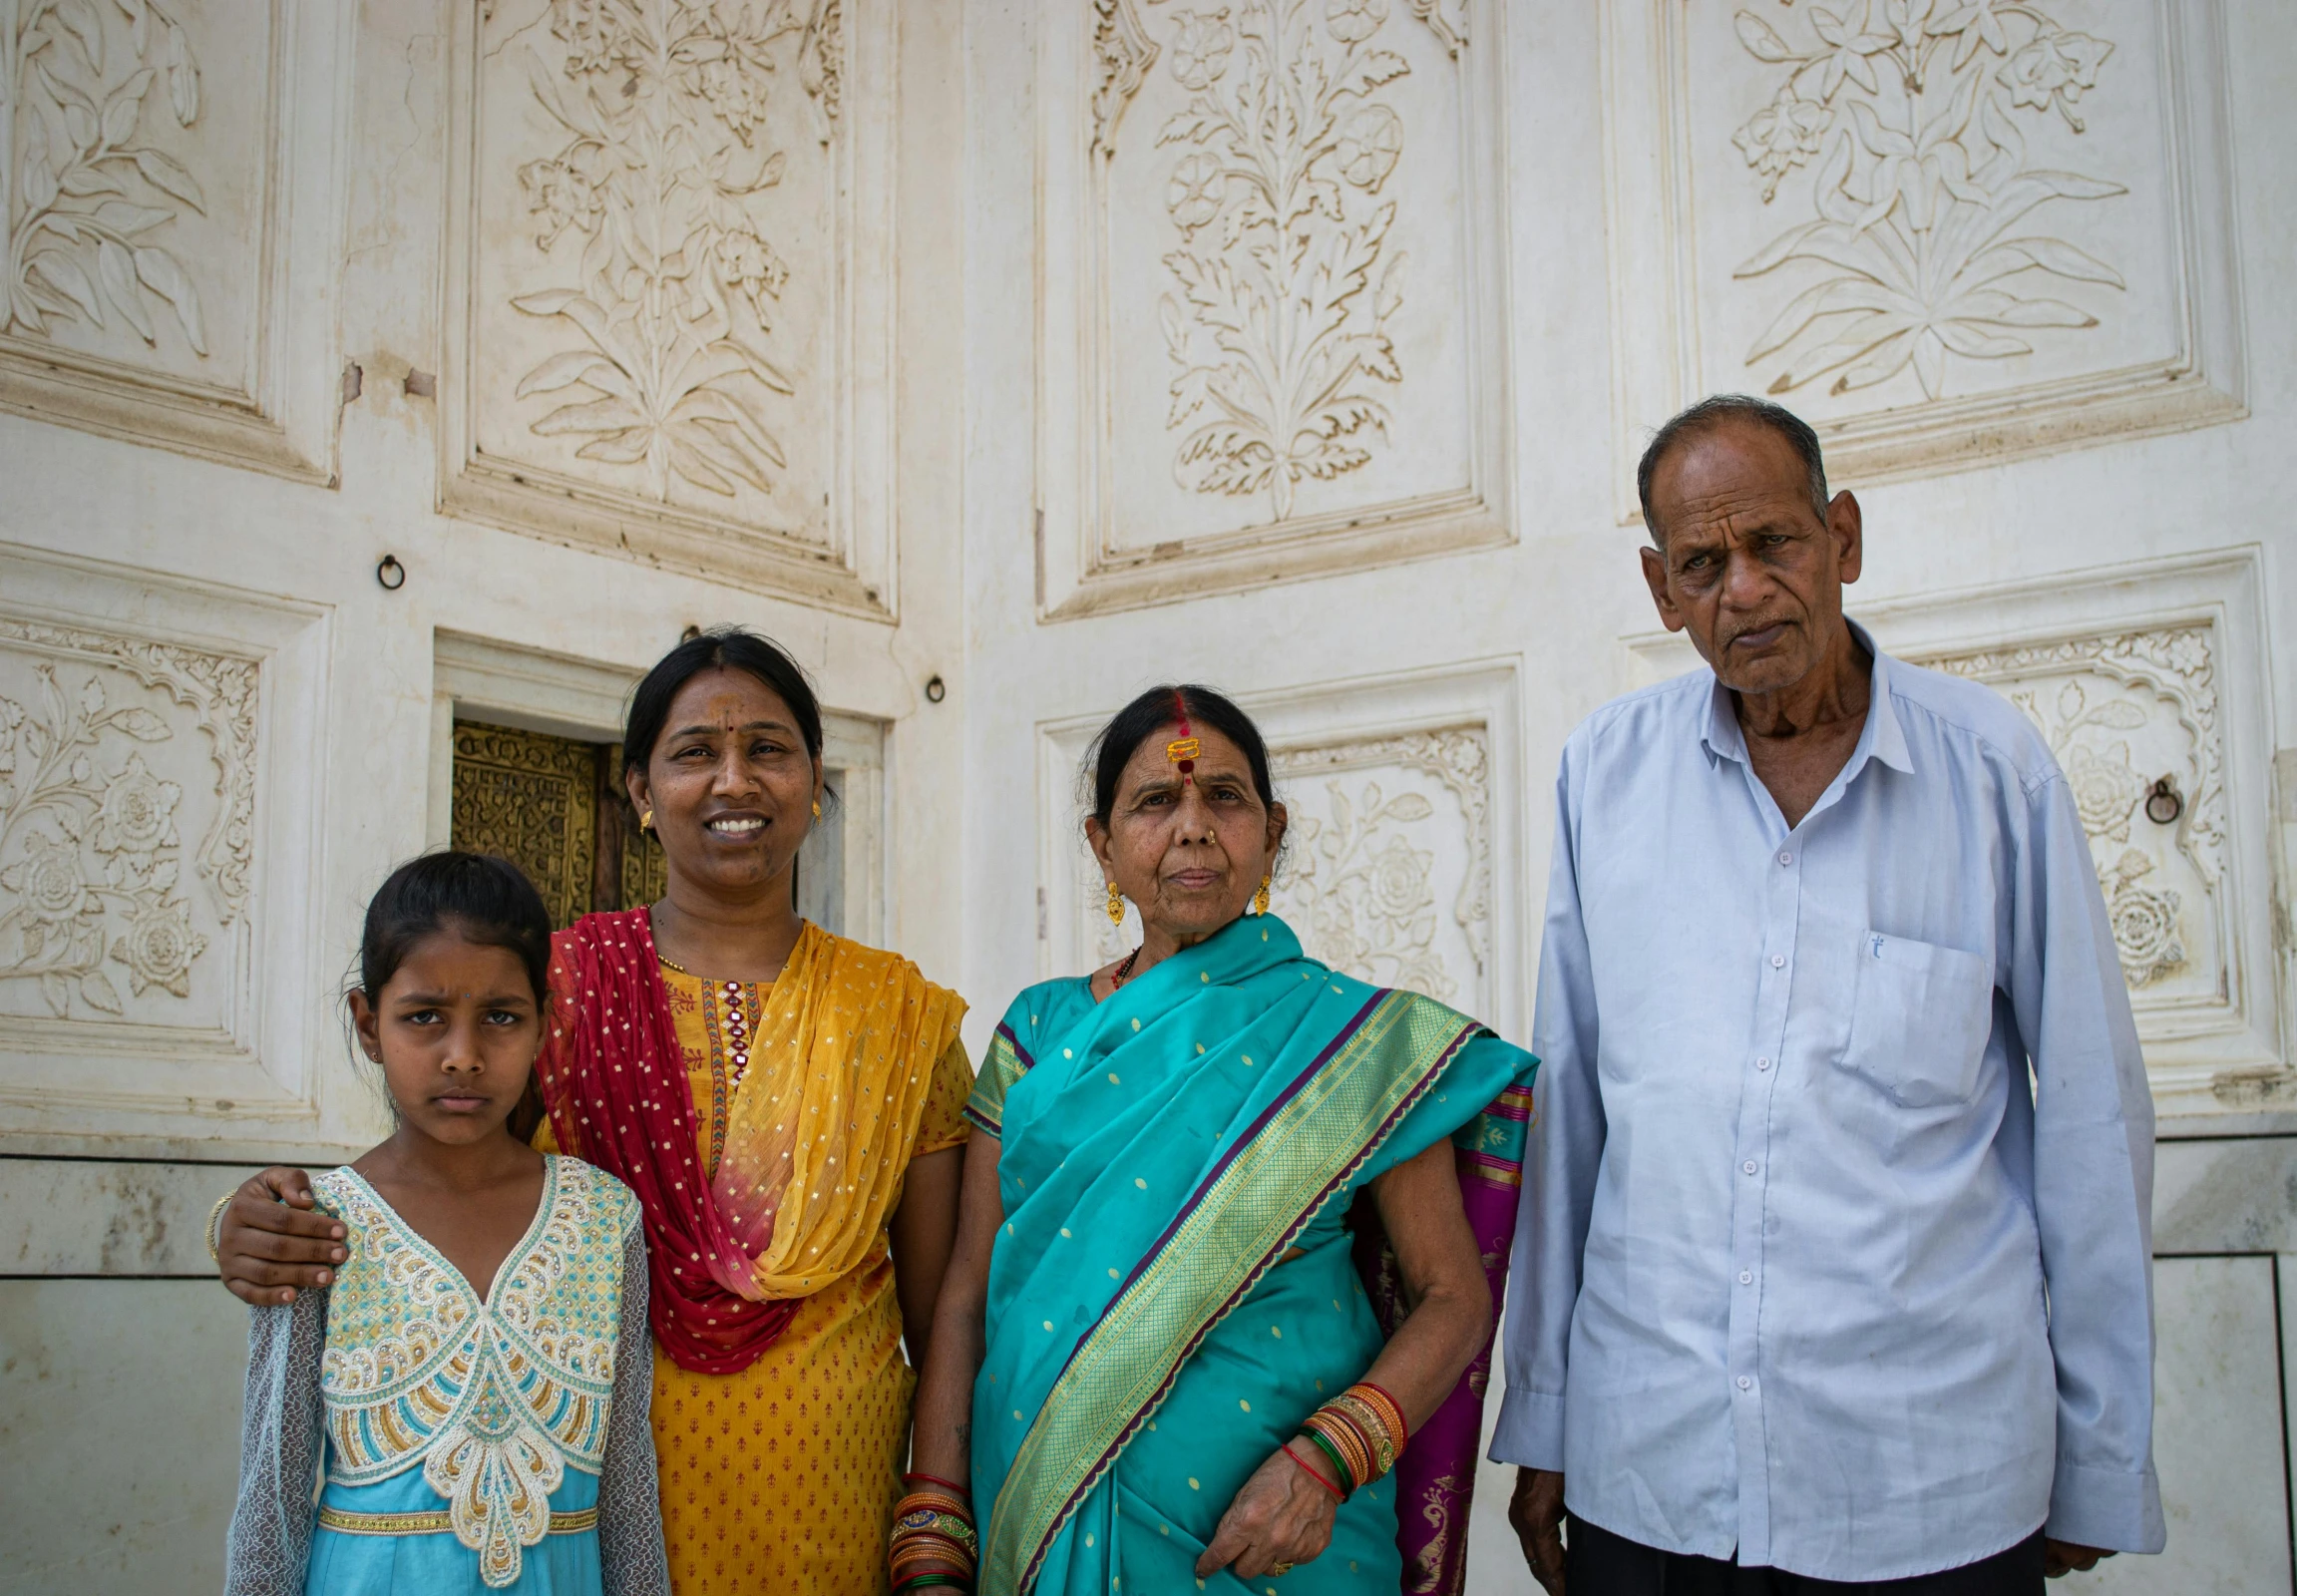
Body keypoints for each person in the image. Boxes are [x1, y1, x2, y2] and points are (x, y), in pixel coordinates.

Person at [1493, 395, 2164, 1595]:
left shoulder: (1991, 771)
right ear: (1661, 592)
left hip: (1925, 1484)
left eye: (1772, 544)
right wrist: (1543, 1418)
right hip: (1651, 1476)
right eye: (1701, 563)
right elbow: (1573, 1111)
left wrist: (2099, 1454)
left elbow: (2088, 1121)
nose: (1741, 589)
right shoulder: (1604, 774)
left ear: (1841, 538)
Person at [211, 630, 975, 1596]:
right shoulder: (557, 989)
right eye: (694, 751)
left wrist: (936, 1508)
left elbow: (942, 1298)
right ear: (640, 792)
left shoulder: (895, 1012)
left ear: (815, 779)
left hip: (833, 1498)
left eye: (769, 750)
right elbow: (440, 1171)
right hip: (588, 1512)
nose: (734, 780)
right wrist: (261, 1215)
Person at [902, 685, 1539, 1596]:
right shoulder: (1038, 1037)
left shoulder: (1351, 1044)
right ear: (1101, 844)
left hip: (1285, 1541)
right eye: (1156, 802)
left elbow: (1452, 1298)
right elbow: (966, 1293)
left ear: (1271, 833)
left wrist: (1327, 1461)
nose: (1193, 828)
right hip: (1040, 1506)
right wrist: (933, 1522)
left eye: (1225, 799)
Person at [223, 851, 669, 1594]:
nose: (462, 1057)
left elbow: (626, 1485)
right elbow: (270, 1496)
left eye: (500, 1018)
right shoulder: (315, 1224)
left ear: (542, 1027)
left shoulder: (601, 1217)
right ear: (369, 1026)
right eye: (423, 1017)